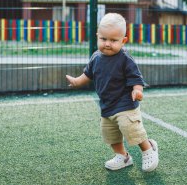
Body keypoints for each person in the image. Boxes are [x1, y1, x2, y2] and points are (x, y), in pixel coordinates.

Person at [66, 13, 159, 172]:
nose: (108, 44)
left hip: (125, 104)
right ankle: (123, 156)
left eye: (114, 40)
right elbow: (87, 75)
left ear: (123, 41)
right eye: (103, 39)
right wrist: (76, 81)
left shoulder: (124, 58)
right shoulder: (96, 57)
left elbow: (136, 78)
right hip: (107, 106)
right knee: (110, 135)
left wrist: (137, 91)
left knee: (131, 129)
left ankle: (148, 149)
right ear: (97, 37)